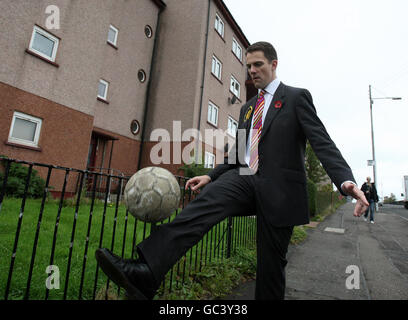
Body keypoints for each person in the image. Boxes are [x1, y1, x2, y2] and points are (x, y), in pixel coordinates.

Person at [95, 41, 369, 300]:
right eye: (249, 66)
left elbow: (322, 141)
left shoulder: (295, 98)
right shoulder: (248, 109)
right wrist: (211, 175)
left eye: (258, 64)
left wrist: (345, 181)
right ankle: (146, 271)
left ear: (274, 64)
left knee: (270, 270)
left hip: (281, 192)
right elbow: (239, 154)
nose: (252, 71)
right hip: (247, 178)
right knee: (205, 203)